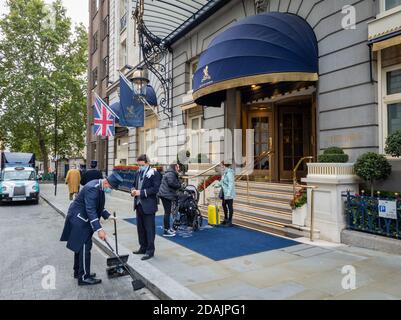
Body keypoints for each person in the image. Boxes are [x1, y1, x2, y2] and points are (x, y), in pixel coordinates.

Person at [60, 173, 123, 286]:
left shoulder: (99, 186)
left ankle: (78, 272)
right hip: (79, 220)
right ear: (106, 183)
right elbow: (91, 209)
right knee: (85, 247)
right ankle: (84, 277)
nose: (111, 190)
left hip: (82, 218)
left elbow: (98, 206)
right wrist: (99, 229)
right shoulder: (92, 189)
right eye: (111, 188)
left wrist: (108, 216)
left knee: (79, 247)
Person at [131, 154, 161, 260]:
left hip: (149, 205)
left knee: (149, 229)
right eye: (138, 165)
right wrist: (132, 190)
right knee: (140, 228)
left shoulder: (155, 173)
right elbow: (134, 184)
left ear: (147, 163)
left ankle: (150, 251)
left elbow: (155, 189)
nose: (139, 167)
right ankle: (142, 247)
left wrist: (141, 192)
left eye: (141, 165)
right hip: (138, 204)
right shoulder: (138, 172)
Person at [158, 163, 182, 237]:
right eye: (178, 167)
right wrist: (179, 185)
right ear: (175, 167)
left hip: (165, 194)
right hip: (166, 195)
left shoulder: (170, 173)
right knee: (167, 212)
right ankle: (166, 230)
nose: (179, 168)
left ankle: (168, 228)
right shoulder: (171, 174)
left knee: (167, 212)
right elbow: (171, 183)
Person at [216, 162, 236, 227]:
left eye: (221, 166)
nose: (221, 167)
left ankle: (230, 221)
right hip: (224, 192)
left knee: (230, 206)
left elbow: (231, 184)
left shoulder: (229, 173)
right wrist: (217, 185)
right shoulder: (225, 172)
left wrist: (228, 193)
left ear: (224, 166)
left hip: (228, 193)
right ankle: (226, 219)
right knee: (224, 205)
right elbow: (222, 181)